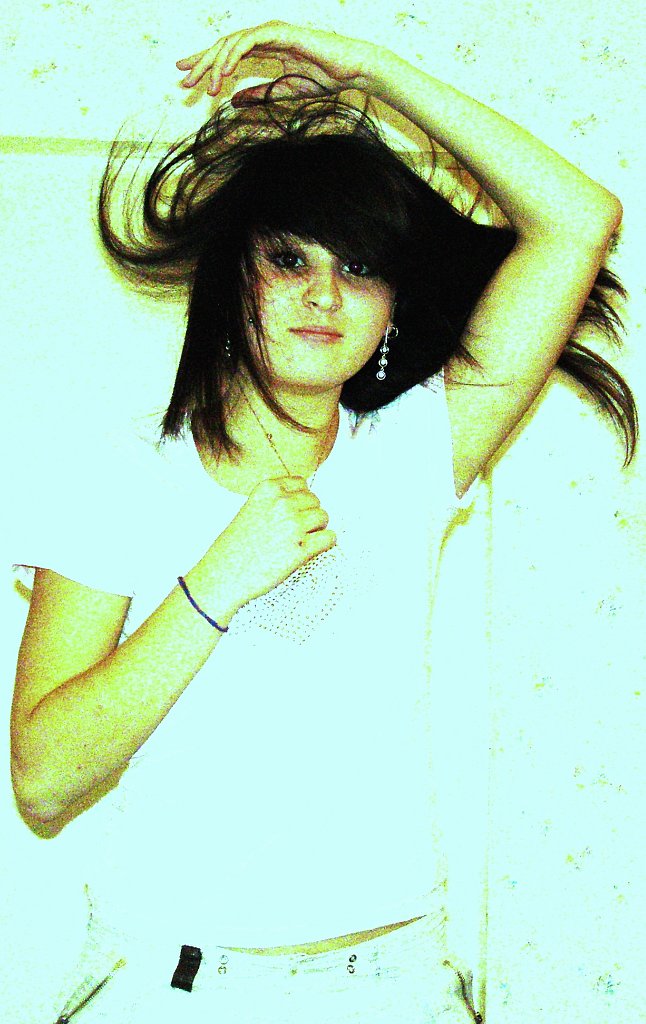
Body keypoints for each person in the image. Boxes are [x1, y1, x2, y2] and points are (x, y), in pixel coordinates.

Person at [10, 19, 637, 1024]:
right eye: (289, 259)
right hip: (170, 983)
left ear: (391, 306)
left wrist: (369, 72)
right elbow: (44, 781)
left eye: (359, 268)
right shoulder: (120, 473)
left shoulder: (414, 450)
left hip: (393, 981)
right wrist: (213, 586)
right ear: (231, 274)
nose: (322, 295)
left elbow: (578, 219)